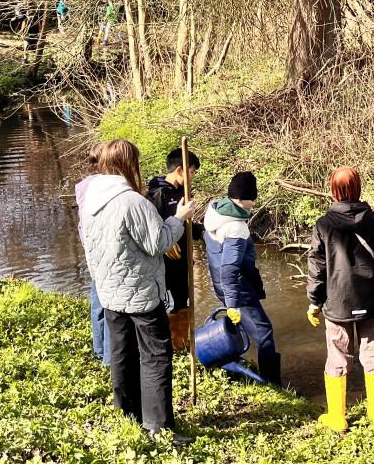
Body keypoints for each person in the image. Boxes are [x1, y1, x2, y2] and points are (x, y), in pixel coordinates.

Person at [78, 139, 196, 446]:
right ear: (128, 164)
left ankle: (127, 414)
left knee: (122, 353)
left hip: (109, 293)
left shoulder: (90, 198)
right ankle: (158, 427)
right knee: (156, 356)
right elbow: (158, 243)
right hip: (140, 293)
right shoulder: (132, 201)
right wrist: (179, 218)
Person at [306, 166, 374, 431]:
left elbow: (317, 266)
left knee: (337, 356)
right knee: (372, 354)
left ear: (333, 190)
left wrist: (314, 301)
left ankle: (338, 418)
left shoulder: (324, 225)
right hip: (373, 301)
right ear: (358, 188)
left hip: (338, 303)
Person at [202, 171, 281, 386]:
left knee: (246, 327)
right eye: (251, 198)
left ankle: (238, 366)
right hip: (238, 289)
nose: (253, 203)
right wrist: (233, 304)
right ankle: (272, 383)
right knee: (263, 331)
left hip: (221, 285)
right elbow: (229, 269)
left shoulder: (214, 211)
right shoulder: (235, 228)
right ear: (239, 199)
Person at [147, 147, 203, 352]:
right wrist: (166, 244)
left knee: (185, 303)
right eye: (192, 172)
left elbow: (187, 225)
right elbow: (151, 231)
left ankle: (183, 344)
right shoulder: (157, 194)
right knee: (171, 306)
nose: (193, 176)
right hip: (166, 266)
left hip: (183, 261)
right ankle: (170, 347)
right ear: (180, 170)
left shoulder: (183, 192)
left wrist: (204, 232)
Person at [75, 143, 111, 367]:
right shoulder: (102, 187)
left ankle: (99, 349)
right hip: (103, 251)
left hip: (91, 249)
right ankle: (108, 357)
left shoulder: (84, 186)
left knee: (98, 299)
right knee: (109, 304)